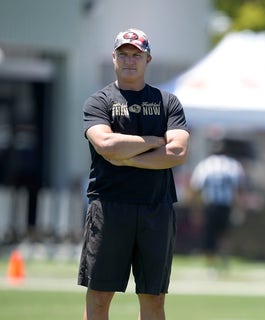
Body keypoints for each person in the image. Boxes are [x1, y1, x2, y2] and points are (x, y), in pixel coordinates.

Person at [78, 28, 190, 320]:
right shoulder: (99, 101)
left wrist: (125, 158)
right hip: (109, 206)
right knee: (100, 298)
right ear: (114, 58)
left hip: (156, 207)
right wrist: (154, 141)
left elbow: (177, 152)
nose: (130, 60)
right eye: (124, 54)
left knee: (153, 299)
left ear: (147, 59)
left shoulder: (168, 102)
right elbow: (105, 144)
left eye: (136, 55)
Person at [189, 139, 245, 272]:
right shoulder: (233, 165)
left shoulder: (205, 165)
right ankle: (223, 261)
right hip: (225, 205)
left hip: (210, 204)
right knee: (224, 234)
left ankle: (211, 265)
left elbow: (195, 188)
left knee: (210, 235)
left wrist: (195, 209)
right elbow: (238, 189)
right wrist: (240, 208)